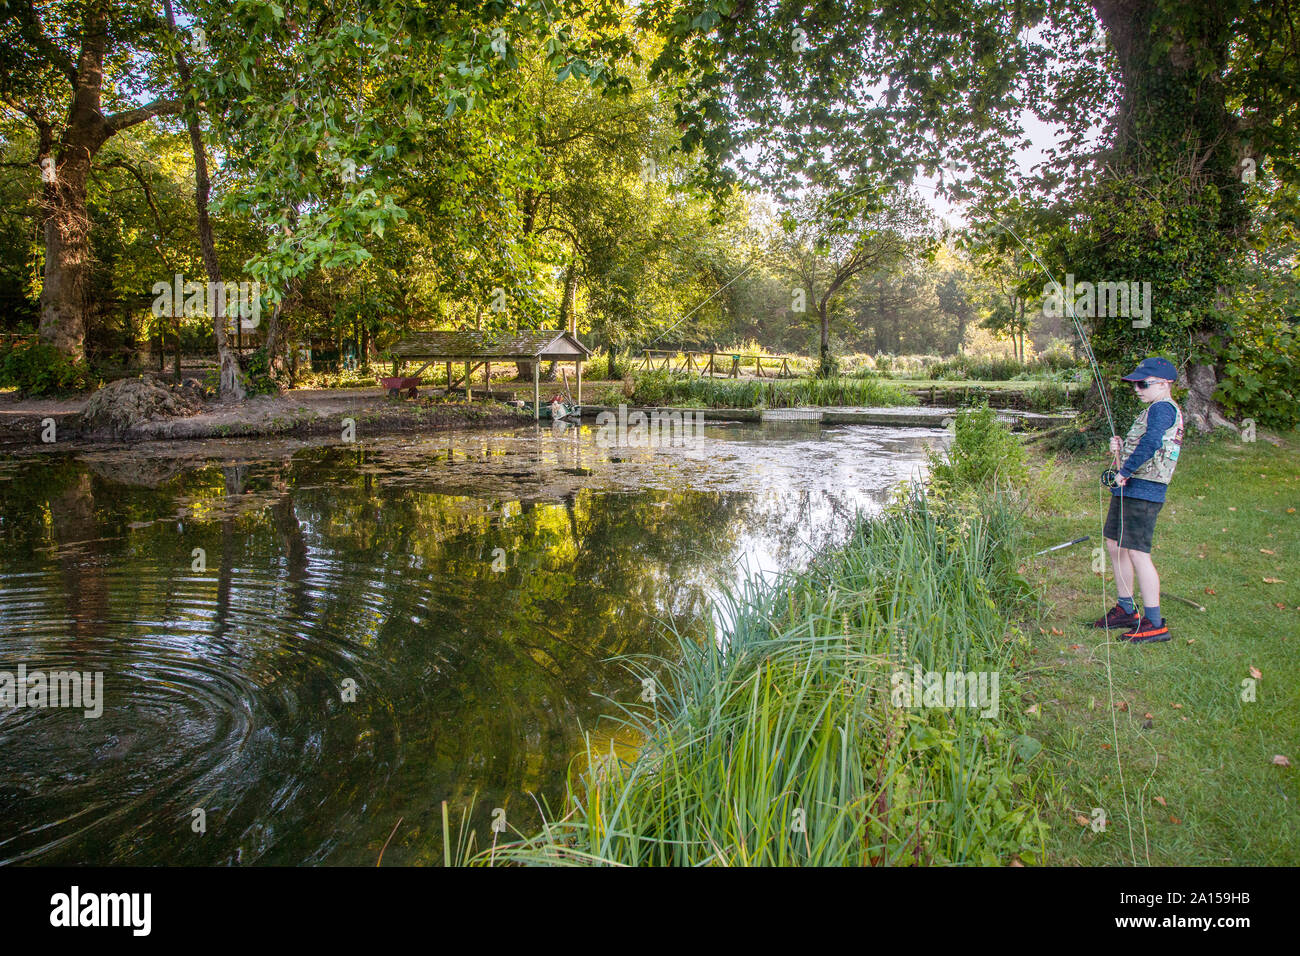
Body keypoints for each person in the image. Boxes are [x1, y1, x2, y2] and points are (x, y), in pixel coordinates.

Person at [1091, 356, 1184, 643]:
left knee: (1138, 552)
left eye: (1143, 384)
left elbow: (1153, 442)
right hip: (1130, 487)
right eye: (1135, 385)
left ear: (1165, 384)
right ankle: (1126, 609)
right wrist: (1120, 448)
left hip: (1144, 488)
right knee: (1115, 544)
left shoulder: (1163, 409)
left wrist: (1126, 471)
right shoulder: (1154, 409)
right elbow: (1143, 442)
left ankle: (1155, 623)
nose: (1137, 389)